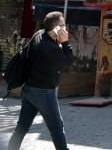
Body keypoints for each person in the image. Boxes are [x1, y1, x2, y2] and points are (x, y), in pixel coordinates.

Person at [8, 11, 74, 150]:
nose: (65, 28)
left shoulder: (39, 34)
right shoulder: (49, 48)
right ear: (55, 28)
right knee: (57, 127)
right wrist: (66, 42)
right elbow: (67, 61)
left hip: (29, 90)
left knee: (21, 128)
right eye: (62, 25)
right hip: (43, 93)